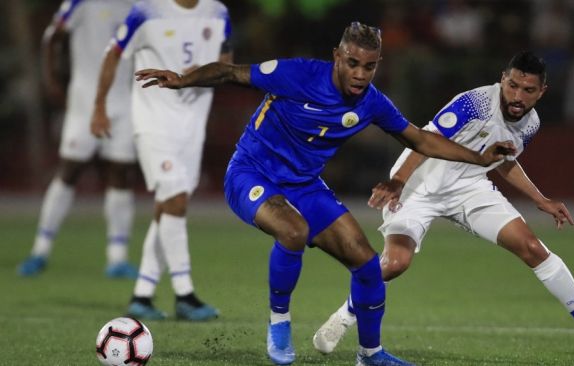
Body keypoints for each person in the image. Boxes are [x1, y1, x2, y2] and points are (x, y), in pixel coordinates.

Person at [134, 22, 514, 366]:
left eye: (370, 66)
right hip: (252, 173)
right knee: (293, 231)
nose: (360, 74)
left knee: (367, 266)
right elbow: (230, 72)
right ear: (337, 56)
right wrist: (183, 80)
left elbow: (419, 139)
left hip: (304, 185)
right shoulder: (296, 74)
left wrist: (478, 157)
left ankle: (370, 355)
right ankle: (279, 324)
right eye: (353, 63)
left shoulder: (372, 102)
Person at [312, 51, 574, 359]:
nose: (517, 96)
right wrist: (398, 181)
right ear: (503, 79)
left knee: (533, 247)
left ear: (541, 92)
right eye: (512, 85)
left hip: (470, 187)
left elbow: (505, 161)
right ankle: (342, 317)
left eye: (528, 90)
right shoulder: (475, 102)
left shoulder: (531, 122)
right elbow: (422, 142)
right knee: (395, 263)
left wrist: (541, 199)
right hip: (418, 185)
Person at [91, 0, 232, 321]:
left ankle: (142, 293)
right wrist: (99, 105)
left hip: (193, 125)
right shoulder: (146, 11)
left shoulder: (218, 11)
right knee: (175, 199)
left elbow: (226, 61)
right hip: (153, 123)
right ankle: (185, 293)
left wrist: (201, 72)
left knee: (168, 207)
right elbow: (113, 53)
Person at [18, 0, 139, 279]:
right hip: (85, 99)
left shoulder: (139, 5)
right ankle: (40, 250)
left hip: (123, 100)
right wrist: (51, 79)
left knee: (121, 174)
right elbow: (53, 36)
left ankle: (117, 258)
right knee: (70, 170)